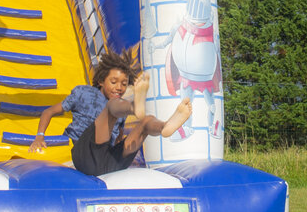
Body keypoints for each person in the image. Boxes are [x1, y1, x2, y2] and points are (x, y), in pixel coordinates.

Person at [30, 52, 191, 176]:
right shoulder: (83, 92)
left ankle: (164, 126)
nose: (119, 88)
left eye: (123, 84)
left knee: (146, 121)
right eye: (113, 82)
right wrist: (39, 136)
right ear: (101, 80)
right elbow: (49, 111)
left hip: (108, 162)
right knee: (112, 107)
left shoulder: (119, 107)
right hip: (85, 155)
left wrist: (125, 152)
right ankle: (135, 106)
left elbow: (119, 137)